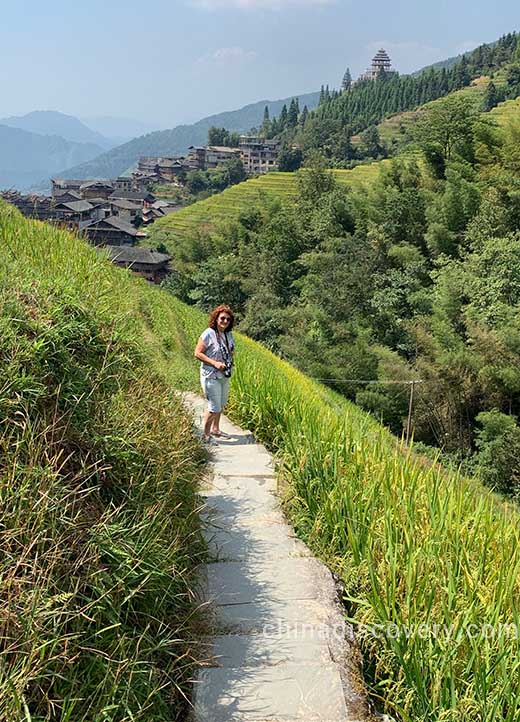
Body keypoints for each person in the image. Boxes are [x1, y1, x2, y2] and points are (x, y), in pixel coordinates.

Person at [194, 304, 235, 443]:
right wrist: (215, 363)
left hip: (224, 375)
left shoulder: (228, 335)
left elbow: (231, 351)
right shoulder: (208, 334)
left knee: (221, 403)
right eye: (222, 318)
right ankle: (206, 435)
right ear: (216, 318)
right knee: (213, 407)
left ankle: (215, 429)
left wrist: (229, 362)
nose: (225, 321)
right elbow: (197, 353)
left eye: (228, 319)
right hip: (211, 375)